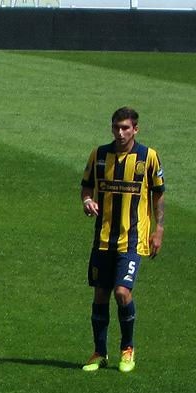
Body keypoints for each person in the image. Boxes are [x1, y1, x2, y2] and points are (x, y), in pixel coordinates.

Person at [80, 106, 165, 373]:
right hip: (103, 238)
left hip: (133, 239)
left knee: (121, 292)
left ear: (135, 129)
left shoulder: (148, 157)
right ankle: (99, 353)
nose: (120, 133)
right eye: (116, 127)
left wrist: (159, 228)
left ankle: (127, 348)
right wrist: (87, 201)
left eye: (125, 128)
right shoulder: (99, 155)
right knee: (101, 294)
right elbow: (86, 186)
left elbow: (158, 194)